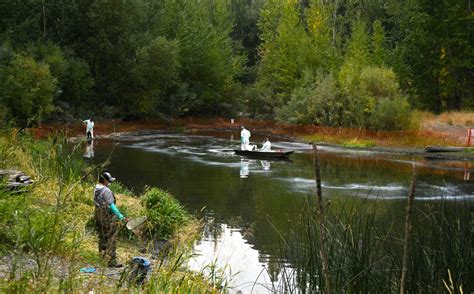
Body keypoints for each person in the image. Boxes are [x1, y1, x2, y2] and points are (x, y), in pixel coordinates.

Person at [94, 171, 128, 267]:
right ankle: (111, 261)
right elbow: (111, 205)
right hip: (106, 216)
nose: (110, 183)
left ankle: (102, 256)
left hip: (97, 214)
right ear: (104, 181)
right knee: (112, 237)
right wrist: (120, 216)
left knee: (102, 235)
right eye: (109, 181)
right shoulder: (106, 191)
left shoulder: (96, 188)